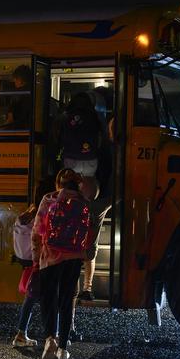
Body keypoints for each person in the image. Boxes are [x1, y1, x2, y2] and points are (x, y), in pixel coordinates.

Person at [32, 169, 96, 359]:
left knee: (48, 299)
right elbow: (89, 231)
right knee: (66, 301)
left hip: (49, 257)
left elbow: (37, 229)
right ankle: (63, 346)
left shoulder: (49, 199)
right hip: (73, 258)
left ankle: (50, 339)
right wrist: (84, 254)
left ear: (58, 184)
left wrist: (36, 257)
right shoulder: (83, 202)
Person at [59, 93, 113, 301]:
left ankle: (71, 288)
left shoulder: (67, 117)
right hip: (91, 168)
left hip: (71, 162)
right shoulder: (95, 117)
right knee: (91, 245)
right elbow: (105, 142)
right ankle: (88, 288)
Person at [10, 179, 54, 347]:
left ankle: (25, 334)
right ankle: (50, 336)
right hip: (39, 260)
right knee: (46, 297)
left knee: (34, 296)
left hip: (26, 259)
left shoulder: (27, 212)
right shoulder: (44, 213)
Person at [4, 64, 32, 129]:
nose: (14, 81)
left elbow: (10, 119)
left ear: (19, 79)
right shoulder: (36, 92)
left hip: (18, 132)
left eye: (16, 78)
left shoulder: (18, 94)